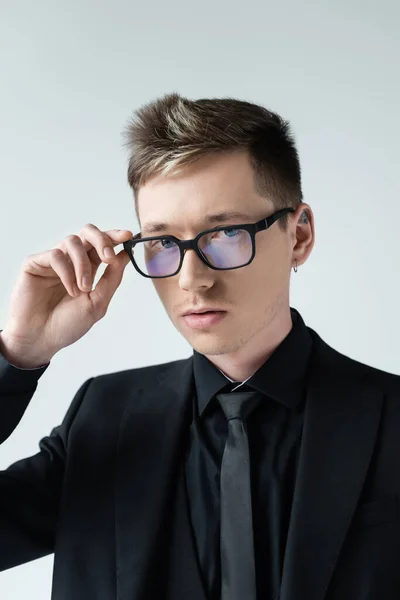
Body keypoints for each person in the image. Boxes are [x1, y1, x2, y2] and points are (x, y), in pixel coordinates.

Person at [0, 93, 399, 600]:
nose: (193, 280)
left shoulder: (390, 417)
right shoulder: (104, 417)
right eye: (164, 243)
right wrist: (18, 355)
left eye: (226, 233)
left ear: (299, 235)